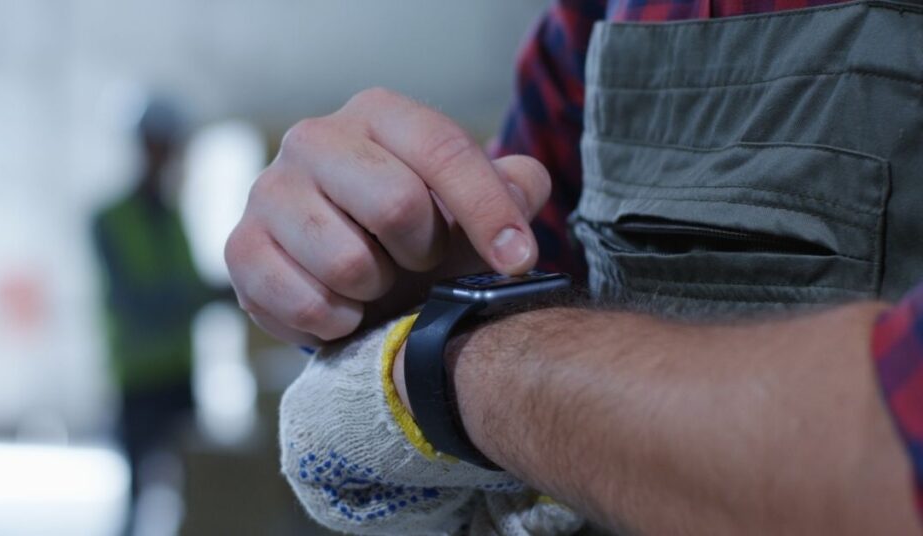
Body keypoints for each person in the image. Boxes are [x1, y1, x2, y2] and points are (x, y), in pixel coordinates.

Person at [224, 0, 923, 533]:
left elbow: (896, 448)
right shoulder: (603, 16)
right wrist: (369, 267)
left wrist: (456, 372)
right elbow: (502, 267)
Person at [92, 99, 210, 525]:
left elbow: (189, 284)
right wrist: (195, 297)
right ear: (143, 146)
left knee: (192, 487)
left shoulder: (175, 216)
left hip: (179, 370)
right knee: (136, 490)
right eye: (161, 145)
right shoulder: (109, 220)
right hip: (138, 376)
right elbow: (137, 301)